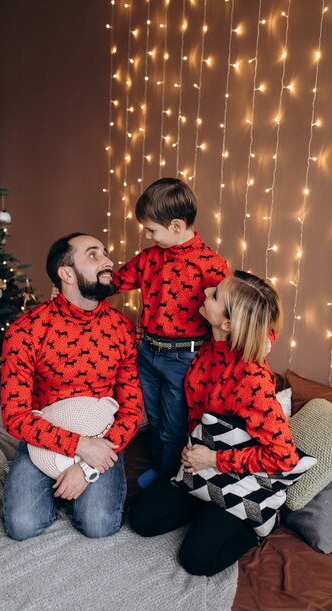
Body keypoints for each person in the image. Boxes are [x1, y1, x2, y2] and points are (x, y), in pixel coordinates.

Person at [129, 270, 299, 576]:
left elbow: (284, 457)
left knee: (196, 561)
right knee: (142, 520)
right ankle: (205, 500)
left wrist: (215, 459)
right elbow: (265, 328)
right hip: (199, 462)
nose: (206, 291)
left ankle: (259, 523)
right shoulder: (213, 338)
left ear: (230, 324)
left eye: (215, 295)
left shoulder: (251, 381)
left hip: (235, 470)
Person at [1, 233, 143, 540]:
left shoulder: (122, 328)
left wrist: (87, 468)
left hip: (102, 437)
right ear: (67, 274)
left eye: (105, 253)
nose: (108, 261)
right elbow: (14, 416)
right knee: (22, 525)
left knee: (99, 525)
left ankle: (72, 488)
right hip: (46, 437)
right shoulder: (25, 331)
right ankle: (55, 489)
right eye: (93, 255)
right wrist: (79, 446)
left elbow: (132, 408)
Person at [113, 178, 230, 487]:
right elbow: (116, 281)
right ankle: (158, 466)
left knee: (174, 424)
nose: (148, 236)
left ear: (177, 226)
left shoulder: (211, 264)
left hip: (184, 358)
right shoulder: (150, 258)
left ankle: (167, 478)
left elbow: (237, 308)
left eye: (152, 230)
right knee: (154, 418)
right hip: (148, 352)